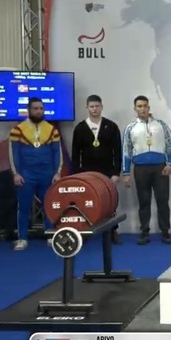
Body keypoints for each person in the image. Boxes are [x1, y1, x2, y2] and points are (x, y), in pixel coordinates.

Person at [121, 95, 171, 245]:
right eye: (139, 106)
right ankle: (144, 232)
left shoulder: (161, 125)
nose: (143, 109)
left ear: (149, 107)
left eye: (145, 106)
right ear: (135, 108)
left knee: (162, 200)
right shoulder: (130, 128)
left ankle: (165, 232)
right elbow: (126, 150)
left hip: (160, 168)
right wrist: (126, 173)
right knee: (144, 201)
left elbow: (170, 144)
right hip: (141, 169)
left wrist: (170, 163)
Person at [9, 97, 62, 250]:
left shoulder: (52, 130)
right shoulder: (18, 130)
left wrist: (57, 173)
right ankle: (22, 238)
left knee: (49, 206)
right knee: (24, 207)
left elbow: (57, 153)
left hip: (47, 174)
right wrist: (16, 173)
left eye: (41, 108)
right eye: (35, 109)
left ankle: (51, 235)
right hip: (26, 174)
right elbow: (13, 153)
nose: (39, 111)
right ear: (29, 110)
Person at [71, 94, 123, 244]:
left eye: (97, 106)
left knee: (110, 202)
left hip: (107, 172)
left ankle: (113, 230)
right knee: (86, 201)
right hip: (87, 173)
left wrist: (116, 173)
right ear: (87, 108)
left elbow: (117, 152)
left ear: (101, 107)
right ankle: (85, 231)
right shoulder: (80, 128)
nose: (94, 109)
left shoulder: (111, 126)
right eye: (91, 106)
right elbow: (75, 154)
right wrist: (78, 175)